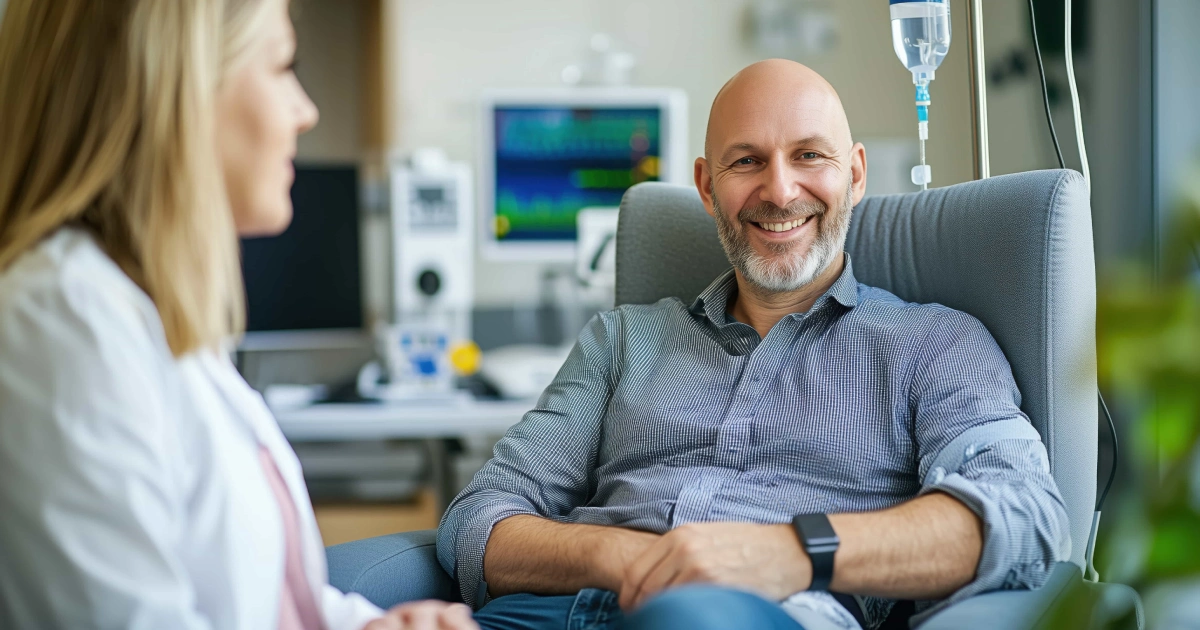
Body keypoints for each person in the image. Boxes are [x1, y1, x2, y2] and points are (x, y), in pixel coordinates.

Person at [437, 59, 1070, 630]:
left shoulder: (937, 343)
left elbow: (1025, 516)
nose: (780, 191)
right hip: (545, 614)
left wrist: (793, 552)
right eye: (746, 161)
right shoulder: (622, 340)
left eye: (808, 156)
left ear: (853, 174)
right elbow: (480, 516)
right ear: (707, 187)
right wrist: (633, 557)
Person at [0, 2, 476, 629]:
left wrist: (367, 625)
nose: (306, 110)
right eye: (283, 66)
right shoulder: (62, 319)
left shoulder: (156, 322)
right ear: (180, 88)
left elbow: (259, 599)